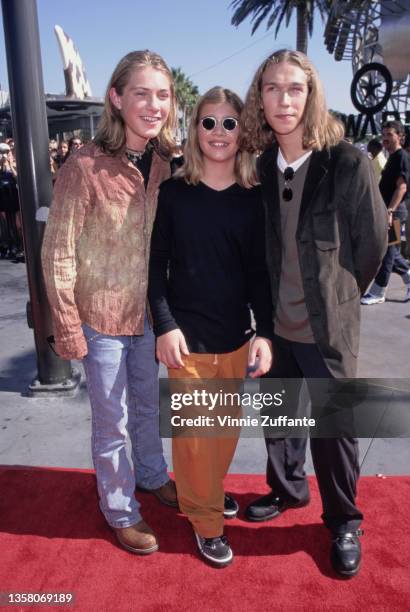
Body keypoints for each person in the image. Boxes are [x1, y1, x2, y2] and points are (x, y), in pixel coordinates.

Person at [239, 49, 387, 577]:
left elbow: (372, 247)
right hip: (276, 326)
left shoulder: (347, 162)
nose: (284, 99)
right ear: (261, 97)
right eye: (273, 88)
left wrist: (340, 298)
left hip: (328, 327)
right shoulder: (261, 166)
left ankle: (344, 520)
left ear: (311, 93)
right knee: (281, 419)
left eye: (295, 88)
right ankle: (287, 489)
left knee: (334, 428)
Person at [42, 50, 179, 556]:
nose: (153, 104)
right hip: (98, 317)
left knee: (147, 405)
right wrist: (68, 325)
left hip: (147, 315)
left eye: (162, 95)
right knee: (111, 420)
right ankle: (121, 509)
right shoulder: (84, 165)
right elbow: (57, 251)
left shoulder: (166, 163)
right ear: (117, 98)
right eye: (141, 93)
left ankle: (150, 475)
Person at [148, 86, 273, 567]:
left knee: (222, 435)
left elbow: (258, 273)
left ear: (241, 130)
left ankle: (203, 493)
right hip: (187, 341)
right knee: (197, 440)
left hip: (236, 338)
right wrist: (164, 325)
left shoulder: (252, 198)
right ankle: (206, 523)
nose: (218, 132)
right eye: (208, 122)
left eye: (229, 122)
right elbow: (156, 266)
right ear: (194, 129)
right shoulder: (175, 193)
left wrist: (262, 332)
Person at [361, 121, 410, 305]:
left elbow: (402, 187)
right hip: (388, 211)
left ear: (400, 136)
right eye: (384, 135)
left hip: (395, 213)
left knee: (388, 251)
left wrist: (390, 210)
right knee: (392, 251)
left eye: (390, 135)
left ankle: (378, 291)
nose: (385, 139)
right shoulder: (392, 157)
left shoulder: (401, 157)